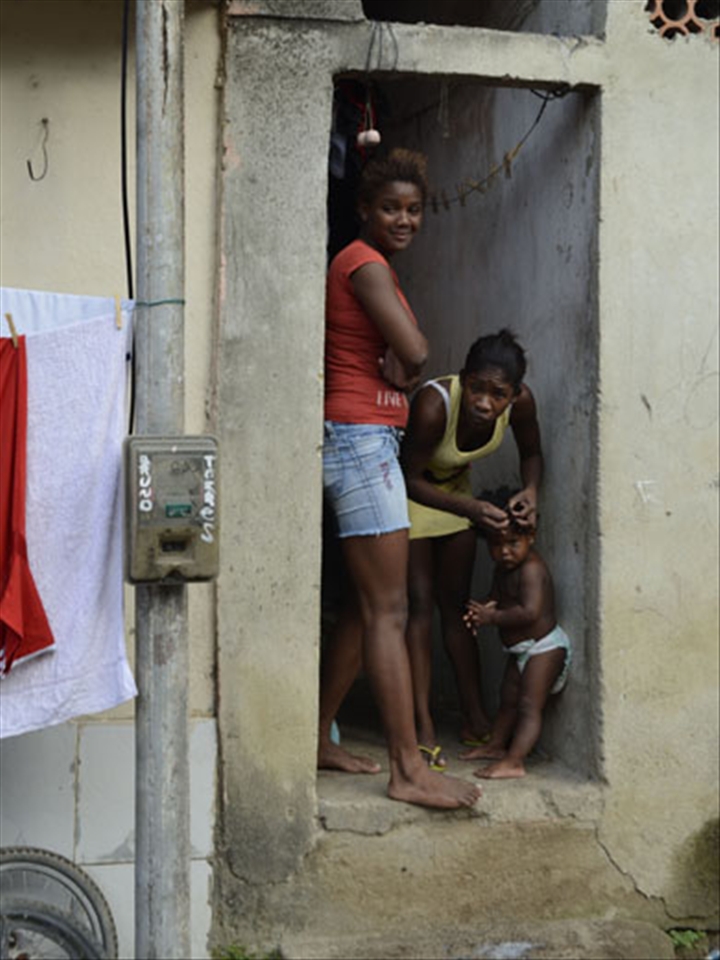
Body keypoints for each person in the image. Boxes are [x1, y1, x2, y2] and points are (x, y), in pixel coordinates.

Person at [317, 147, 481, 810]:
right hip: (360, 441)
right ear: (364, 211)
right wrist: (407, 360)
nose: (404, 219)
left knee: (366, 606)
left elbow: (407, 362)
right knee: (392, 609)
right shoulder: (364, 263)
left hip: (368, 437)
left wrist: (404, 366)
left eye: (413, 209)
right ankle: (408, 769)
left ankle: (317, 736)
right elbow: (414, 353)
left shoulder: (374, 268)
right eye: (390, 208)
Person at [401, 330, 542, 770]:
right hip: (412, 492)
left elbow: (533, 452)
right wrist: (471, 508)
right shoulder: (433, 404)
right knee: (421, 604)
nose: (484, 402)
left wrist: (532, 491)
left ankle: (473, 715)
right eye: (476, 388)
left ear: (514, 394)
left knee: (457, 605)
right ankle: (421, 724)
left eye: (497, 394)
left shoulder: (520, 405)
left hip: (458, 494)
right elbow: (409, 478)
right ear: (463, 380)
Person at [461, 488, 572, 778]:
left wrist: (492, 617)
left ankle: (515, 760)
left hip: (544, 648)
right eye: (496, 545)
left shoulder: (532, 570)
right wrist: (480, 611)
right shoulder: (503, 570)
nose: (505, 551)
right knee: (507, 699)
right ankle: (497, 745)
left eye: (513, 543)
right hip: (520, 650)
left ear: (531, 537)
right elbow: (495, 598)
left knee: (528, 705)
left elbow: (529, 612)